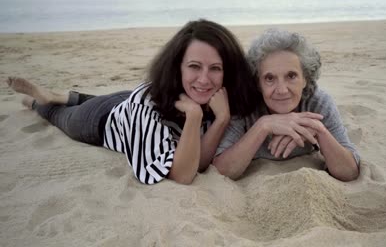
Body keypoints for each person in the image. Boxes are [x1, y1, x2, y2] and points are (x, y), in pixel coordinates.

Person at [6, 19, 257, 185]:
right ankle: (40, 101)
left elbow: (198, 159)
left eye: (215, 68)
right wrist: (194, 117)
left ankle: (65, 95)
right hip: (99, 120)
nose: (204, 79)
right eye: (194, 66)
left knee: (126, 96)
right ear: (177, 67)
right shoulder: (145, 105)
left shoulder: (220, 96)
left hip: (129, 98)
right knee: (61, 116)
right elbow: (182, 174)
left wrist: (221, 119)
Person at [213, 28, 360, 182]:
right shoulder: (245, 105)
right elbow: (221, 171)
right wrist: (263, 125)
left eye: (291, 76)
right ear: (257, 83)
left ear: (305, 79)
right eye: (269, 78)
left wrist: (318, 130)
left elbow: (349, 172)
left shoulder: (318, 103)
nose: (282, 90)